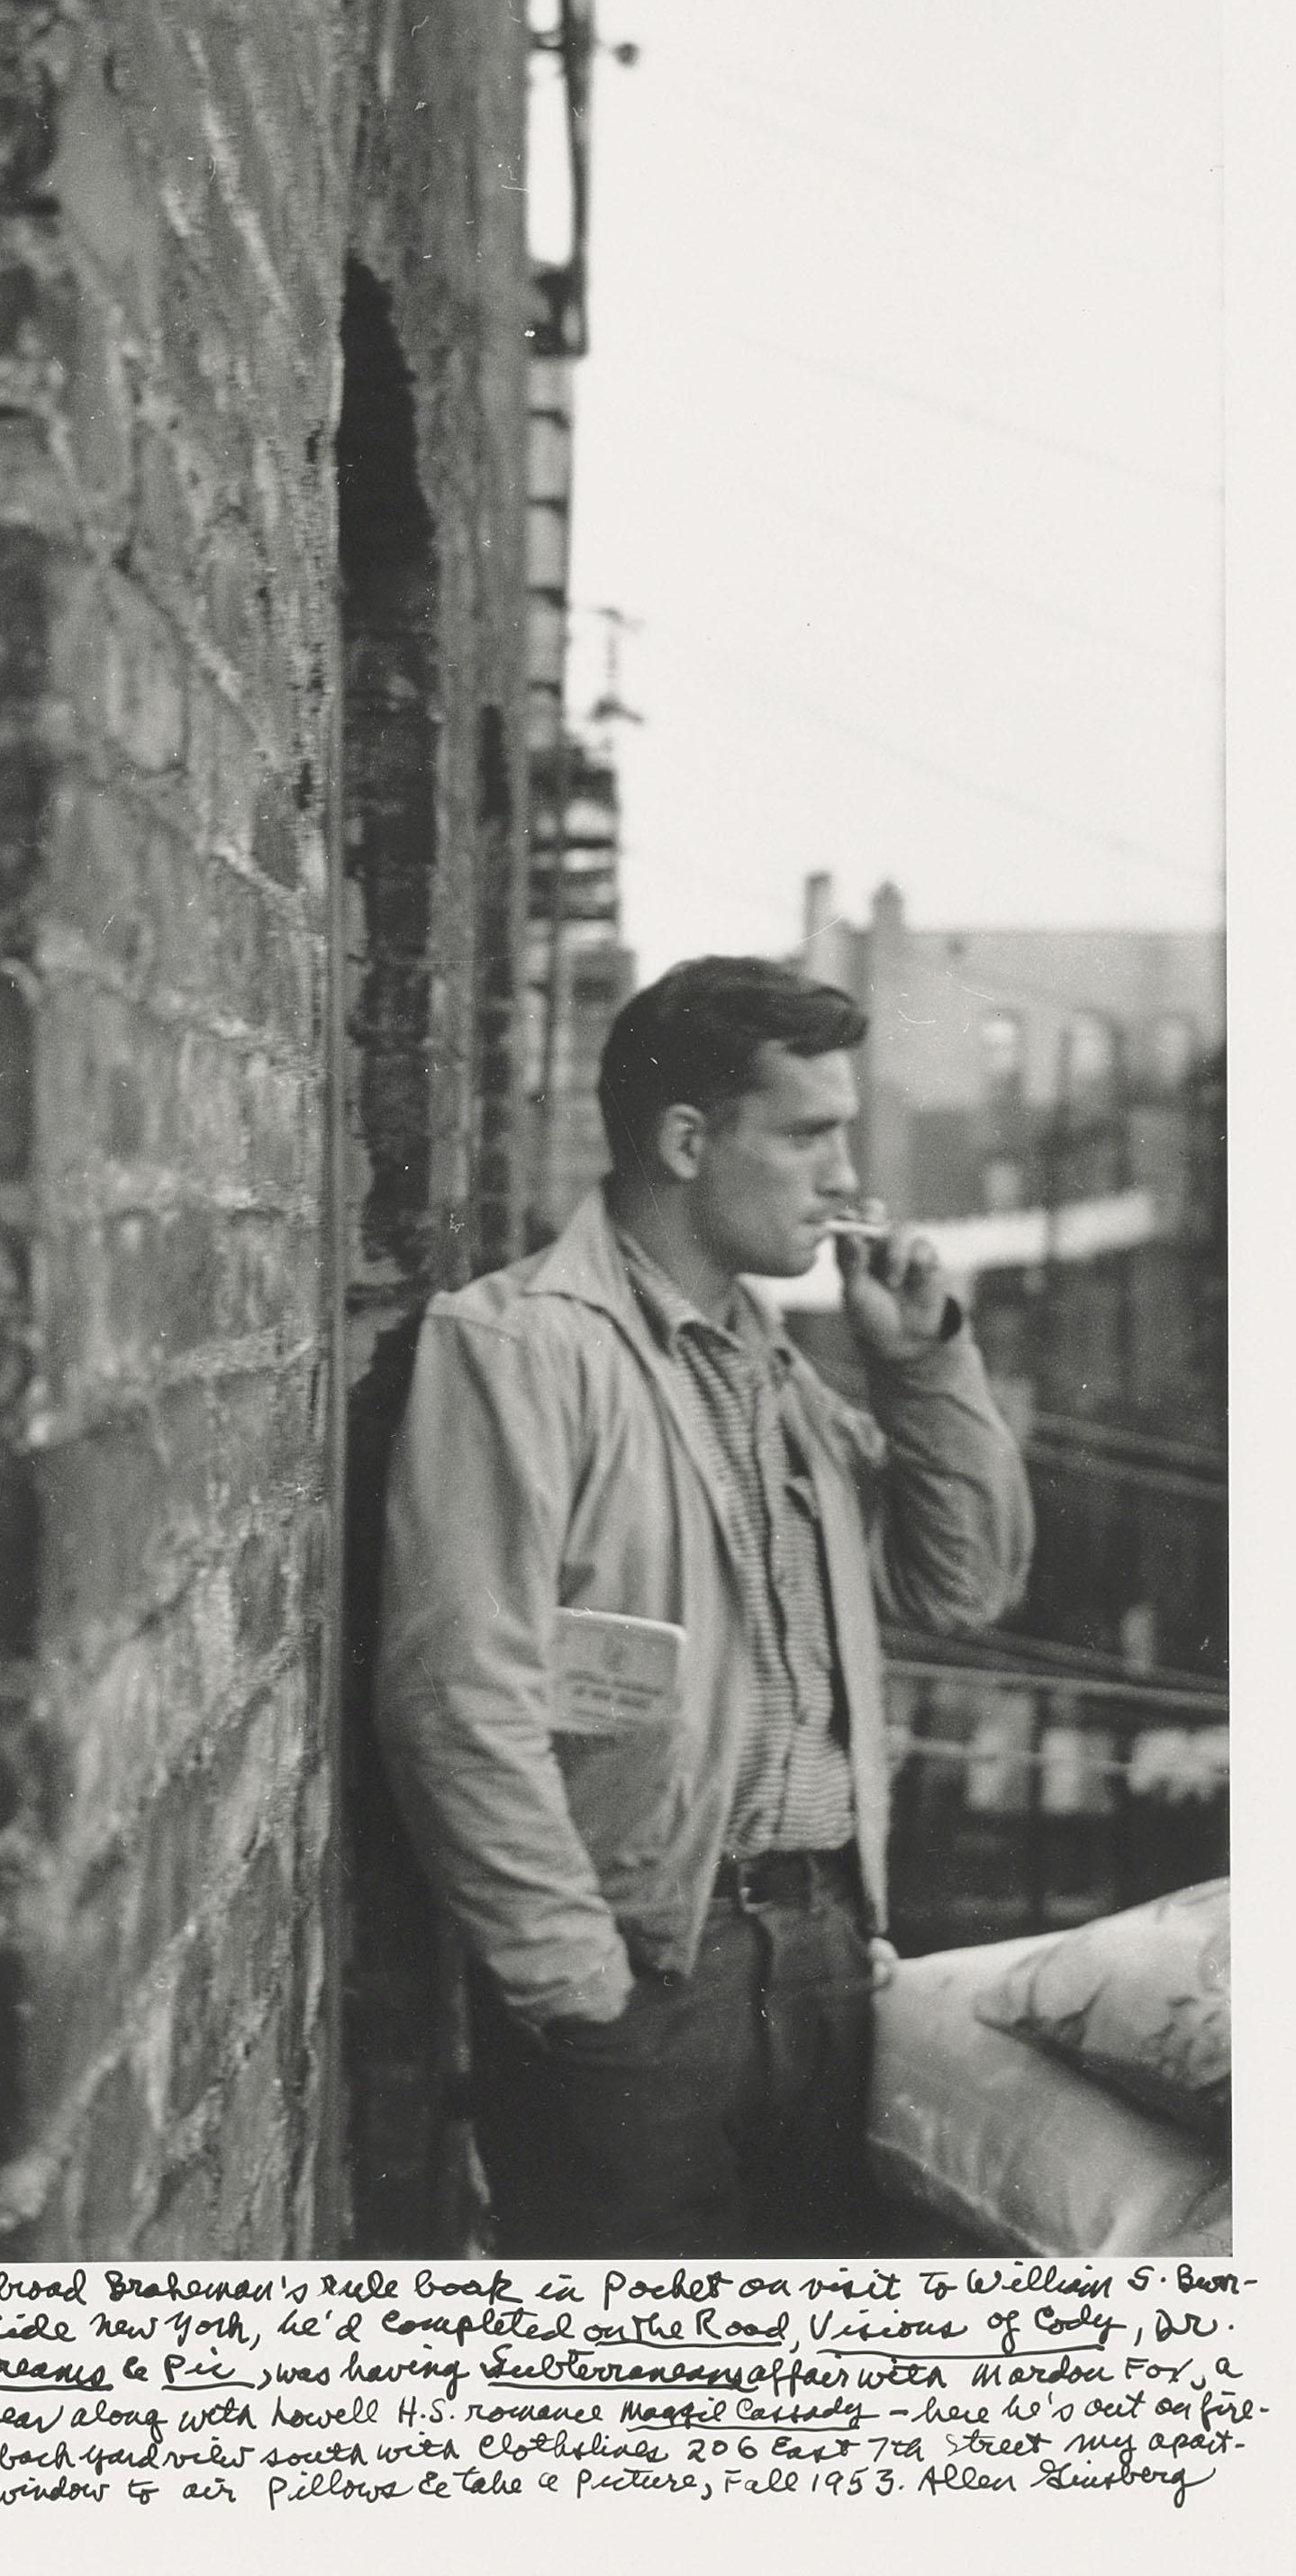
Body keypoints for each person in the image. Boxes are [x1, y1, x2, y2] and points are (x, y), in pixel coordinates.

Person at [375, 955, 1033, 2256]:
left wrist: (922, 1365)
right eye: (808, 1135)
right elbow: (456, 1699)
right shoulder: (522, 1347)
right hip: (653, 1977)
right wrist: (579, 1990)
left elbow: (962, 1584)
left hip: (832, 1961)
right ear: (685, 1141)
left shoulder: (774, 1374)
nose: (846, 1178)